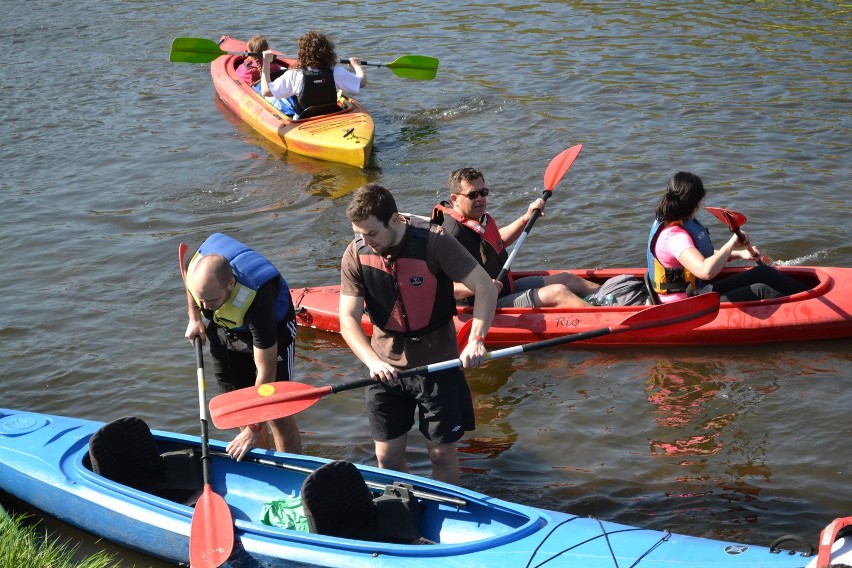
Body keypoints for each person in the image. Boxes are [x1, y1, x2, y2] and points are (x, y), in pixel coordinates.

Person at [339, 183, 497, 485]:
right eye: (359, 233)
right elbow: (348, 319)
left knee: (441, 454)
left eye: (372, 233)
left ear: (395, 220)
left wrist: (476, 339)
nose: (365, 240)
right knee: (387, 456)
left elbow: (485, 287)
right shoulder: (356, 254)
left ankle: (448, 509)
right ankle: (405, 505)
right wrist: (372, 362)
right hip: (385, 368)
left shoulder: (434, 241)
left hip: (438, 364)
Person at [183, 233, 302, 461]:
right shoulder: (194, 261)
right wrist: (194, 317)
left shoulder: (258, 299)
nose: (207, 308)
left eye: (212, 301)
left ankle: (293, 471)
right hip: (227, 327)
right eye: (202, 300)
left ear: (231, 283)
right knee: (240, 406)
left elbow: (265, 372)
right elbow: (188, 279)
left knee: (276, 410)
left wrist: (253, 429)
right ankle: (265, 464)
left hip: (273, 328)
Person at [432, 167, 601, 308]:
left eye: (483, 192)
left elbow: (498, 241)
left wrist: (526, 218)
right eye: (472, 195)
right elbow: (443, 287)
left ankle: (618, 298)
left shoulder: (478, 219)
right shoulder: (450, 234)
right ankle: (604, 319)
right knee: (558, 292)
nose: (480, 199)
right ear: (454, 199)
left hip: (507, 287)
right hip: (486, 305)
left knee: (568, 279)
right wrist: (482, 286)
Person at [647, 171, 810, 303]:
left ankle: (809, 295)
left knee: (764, 272)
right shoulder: (675, 236)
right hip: (685, 303)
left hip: (697, 292)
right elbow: (705, 271)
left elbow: (702, 255)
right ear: (697, 204)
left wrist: (741, 253)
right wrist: (732, 242)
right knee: (762, 290)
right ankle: (806, 311)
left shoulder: (678, 223)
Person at [260, 31, 366, 118]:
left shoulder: (294, 74)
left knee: (277, 99)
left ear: (302, 54)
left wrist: (266, 63)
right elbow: (362, 82)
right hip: (332, 115)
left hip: (304, 121)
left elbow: (266, 91)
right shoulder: (335, 71)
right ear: (328, 52)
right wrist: (357, 66)